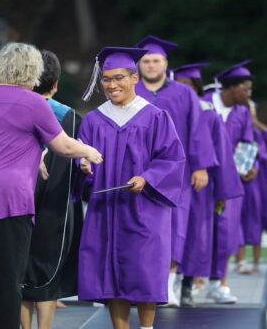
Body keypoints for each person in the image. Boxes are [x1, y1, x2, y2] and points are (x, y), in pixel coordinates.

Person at [0, 42, 102, 329]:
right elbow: (63, 146)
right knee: (8, 282)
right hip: (5, 197)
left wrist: (35, 159)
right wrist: (90, 152)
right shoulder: (33, 102)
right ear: (33, 70)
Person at [73, 47, 186, 329]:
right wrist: (83, 166)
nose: (111, 85)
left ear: (134, 78)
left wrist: (147, 177)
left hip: (145, 207)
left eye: (119, 78)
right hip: (106, 210)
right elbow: (80, 161)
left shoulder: (154, 116)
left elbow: (172, 158)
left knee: (146, 270)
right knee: (110, 274)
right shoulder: (93, 120)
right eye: (106, 79)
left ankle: (147, 328)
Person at [134, 35, 218, 306]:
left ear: (165, 63)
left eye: (156, 60)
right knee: (143, 228)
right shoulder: (133, 93)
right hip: (141, 172)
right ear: (139, 65)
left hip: (179, 174)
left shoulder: (184, 94)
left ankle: (168, 285)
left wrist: (202, 166)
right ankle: (144, 284)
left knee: (176, 228)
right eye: (145, 61)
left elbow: (197, 130)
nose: (150, 65)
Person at [20, 50, 83, 329]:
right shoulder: (71, 119)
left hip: (16, 200)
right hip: (56, 204)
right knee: (47, 272)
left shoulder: (13, 111)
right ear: (55, 84)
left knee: (19, 272)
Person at [173, 63, 244, 306]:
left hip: (200, 188)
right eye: (179, 85)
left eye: (188, 86)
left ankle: (187, 285)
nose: (183, 91)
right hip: (171, 184)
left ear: (196, 88)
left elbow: (224, 155)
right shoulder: (166, 110)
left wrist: (225, 189)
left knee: (195, 237)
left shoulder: (207, 112)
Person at [203, 60, 256, 301]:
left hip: (230, 181)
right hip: (203, 178)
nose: (249, 94)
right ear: (232, 88)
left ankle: (219, 283)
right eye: (246, 88)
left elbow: (248, 143)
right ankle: (188, 281)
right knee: (198, 230)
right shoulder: (204, 105)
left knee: (226, 232)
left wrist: (251, 166)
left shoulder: (243, 112)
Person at [237, 102, 267, 273]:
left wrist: (257, 123)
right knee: (238, 220)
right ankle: (242, 261)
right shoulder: (239, 131)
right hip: (242, 180)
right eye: (250, 113)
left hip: (260, 183)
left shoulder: (257, 132)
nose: (252, 116)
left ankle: (255, 262)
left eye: (254, 113)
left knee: (257, 220)